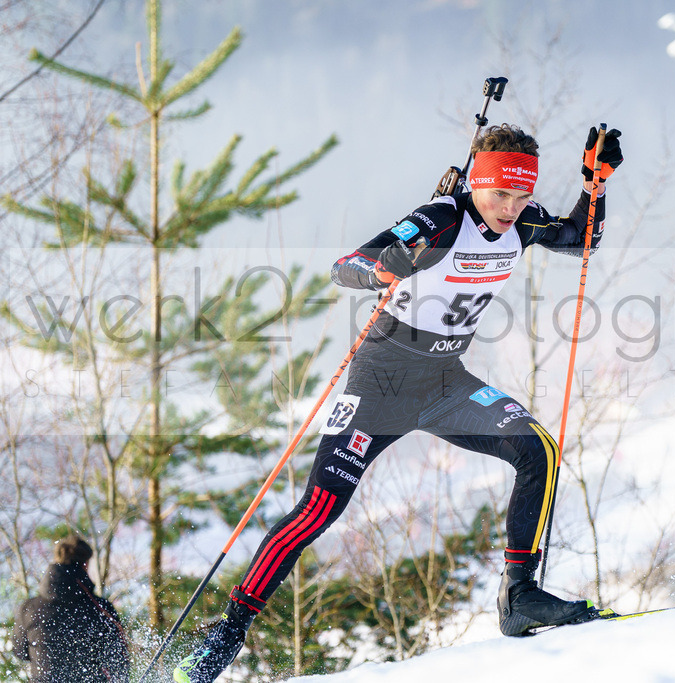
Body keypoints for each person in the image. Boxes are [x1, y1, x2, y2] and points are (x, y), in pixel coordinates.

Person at [174, 123, 623, 682]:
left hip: (443, 382)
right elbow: (345, 268)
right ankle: (225, 636)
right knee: (319, 510)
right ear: (477, 183)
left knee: (540, 451)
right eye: (499, 194)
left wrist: (593, 185)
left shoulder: (522, 224)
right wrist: (385, 267)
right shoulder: (441, 219)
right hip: (381, 381)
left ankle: (520, 598)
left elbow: (581, 236)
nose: (511, 207)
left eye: (520, 195)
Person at [13, 534, 130, 683]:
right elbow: (119, 660)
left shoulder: (29, 608)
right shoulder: (100, 608)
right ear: (85, 564)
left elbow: (19, 652)